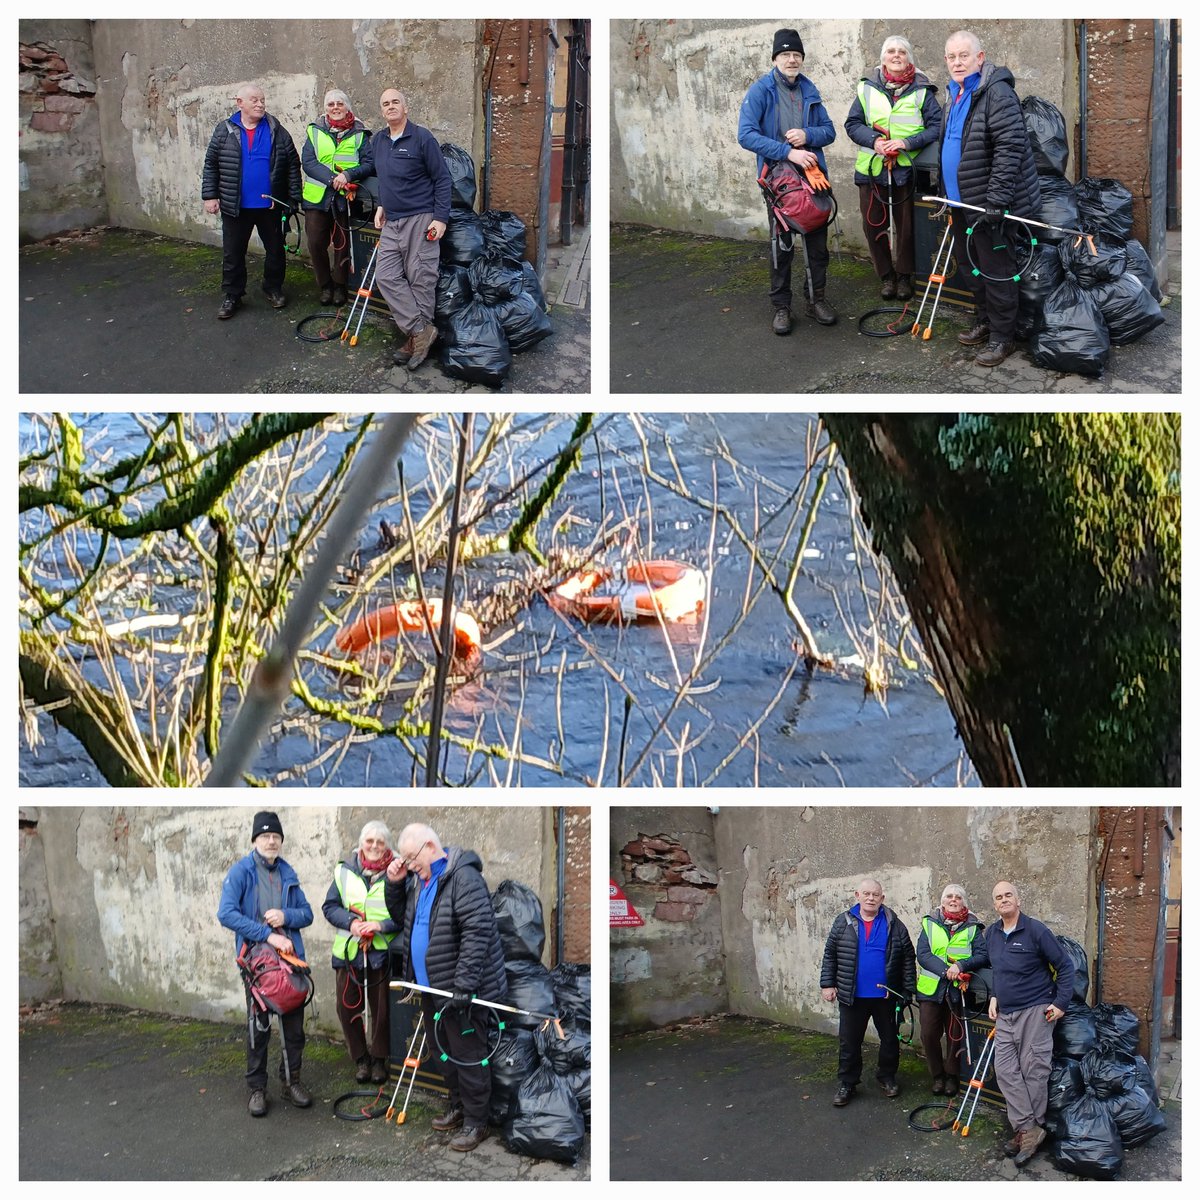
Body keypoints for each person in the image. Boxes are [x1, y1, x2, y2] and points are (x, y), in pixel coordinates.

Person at [384, 823, 507, 1152]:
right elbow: (402, 919)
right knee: (442, 1054)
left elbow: (477, 932)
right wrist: (394, 884)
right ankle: (458, 1106)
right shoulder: (417, 882)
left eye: (411, 858)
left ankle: (476, 1123)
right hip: (433, 989)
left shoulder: (463, 878)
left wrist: (464, 986)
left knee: (469, 1057)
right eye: (406, 861)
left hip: (461, 992)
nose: (409, 865)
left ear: (429, 847)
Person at [938, 30, 1041, 366]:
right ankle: (984, 321)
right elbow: (950, 146)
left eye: (963, 55)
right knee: (972, 269)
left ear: (979, 58)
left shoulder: (996, 94)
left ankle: (1002, 338)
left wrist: (996, 202)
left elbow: (1010, 149)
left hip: (987, 205)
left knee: (997, 272)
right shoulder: (953, 96)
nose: (957, 62)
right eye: (951, 57)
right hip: (961, 205)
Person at [738, 28, 838, 334]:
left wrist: (808, 136)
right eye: (785, 54)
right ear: (775, 58)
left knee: (817, 245)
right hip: (779, 184)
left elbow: (830, 131)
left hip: (813, 178)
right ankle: (781, 307)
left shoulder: (810, 89)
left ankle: (815, 299)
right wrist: (786, 152)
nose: (791, 60)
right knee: (781, 246)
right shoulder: (760, 91)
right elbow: (746, 135)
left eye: (796, 54)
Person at [217, 810, 314, 1118]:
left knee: (294, 1027)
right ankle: (257, 1088)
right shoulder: (241, 871)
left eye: (276, 836)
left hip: (290, 961)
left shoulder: (288, 872)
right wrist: (267, 935)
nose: (271, 841)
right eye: (265, 836)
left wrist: (286, 916)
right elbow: (226, 914)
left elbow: (308, 914)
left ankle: (291, 1081)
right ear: (255, 839)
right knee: (258, 1028)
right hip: (257, 965)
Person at [977, 880, 1073, 1166]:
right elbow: (998, 970)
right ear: (994, 904)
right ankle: (1029, 1129)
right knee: (1005, 1070)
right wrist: (994, 996)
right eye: (998, 897)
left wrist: (1060, 1004)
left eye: (1008, 895)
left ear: (1018, 900)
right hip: (1005, 1013)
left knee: (1034, 1070)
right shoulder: (992, 933)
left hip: (1036, 1009)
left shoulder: (1036, 930)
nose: (1003, 900)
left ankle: (1026, 1132)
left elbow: (1065, 966)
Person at [844, 36, 942, 301]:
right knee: (872, 225)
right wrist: (875, 141)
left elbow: (936, 126)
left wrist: (908, 142)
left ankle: (904, 276)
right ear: (882, 57)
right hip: (873, 169)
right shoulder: (866, 88)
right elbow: (852, 124)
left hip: (906, 170)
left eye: (902, 51)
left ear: (909, 58)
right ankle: (886, 275)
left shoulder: (922, 90)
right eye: (890, 51)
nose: (896, 55)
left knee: (907, 227)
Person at [201, 82, 302, 320]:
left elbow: (293, 165)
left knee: (275, 250)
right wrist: (210, 195)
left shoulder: (277, 129)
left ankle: (273, 288)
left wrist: (292, 199)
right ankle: (232, 295)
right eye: (254, 100)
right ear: (240, 103)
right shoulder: (224, 130)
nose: (260, 104)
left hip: (271, 205)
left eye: (262, 100)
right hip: (235, 206)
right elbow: (211, 164)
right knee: (233, 253)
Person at [370, 89, 451, 371]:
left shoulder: (421, 137)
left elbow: (442, 179)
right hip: (392, 220)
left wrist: (440, 218)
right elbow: (384, 178)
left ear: (406, 107)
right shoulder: (378, 140)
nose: (390, 106)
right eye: (385, 104)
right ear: (382, 111)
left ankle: (415, 339)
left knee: (421, 277)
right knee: (386, 276)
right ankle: (421, 331)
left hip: (421, 217)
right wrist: (381, 204)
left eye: (395, 102)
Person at [820, 878, 916, 1107]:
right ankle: (848, 1083)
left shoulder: (894, 923)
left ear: (882, 898)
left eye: (875, 895)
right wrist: (827, 984)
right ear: (857, 895)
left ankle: (887, 1077)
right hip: (852, 996)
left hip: (886, 997)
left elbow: (908, 958)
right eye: (866, 894)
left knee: (890, 1040)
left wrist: (906, 991)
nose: (871, 898)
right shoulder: (843, 922)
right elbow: (830, 954)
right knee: (849, 1042)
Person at [322, 819, 399, 1085]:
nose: (375, 846)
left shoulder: (398, 872)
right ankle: (360, 1059)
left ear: (388, 845)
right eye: (370, 841)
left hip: (381, 951)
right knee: (346, 1007)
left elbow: (404, 913)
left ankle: (379, 1059)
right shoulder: (344, 871)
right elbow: (330, 907)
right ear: (361, 844)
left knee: (382, 1010)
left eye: (380, 842)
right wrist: (352, 923)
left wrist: (380, 926)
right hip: (349, 950)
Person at [301, 89, 374, 307]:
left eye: (340, 104)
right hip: (317, 197)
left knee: (343, 244)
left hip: (346, 197)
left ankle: (340, 286)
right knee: (315, 243)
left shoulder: (360, 134)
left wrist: (348, 175)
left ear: (347, 107)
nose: (335, 107)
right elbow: (309, 162)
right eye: (331, 104)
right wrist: (333, 178)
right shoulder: (314, 131)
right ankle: (325, 286)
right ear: (325, 109)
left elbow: (369, 163)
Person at [914, 883, 986, 1097]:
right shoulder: (929, 924)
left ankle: (952, 1076)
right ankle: (937, 1076)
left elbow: (982, 955)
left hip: (958, 991)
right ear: (942, 901)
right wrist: (946, 970)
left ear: (964, 902)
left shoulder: (973, 928)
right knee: (929, 1034)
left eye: (958, 897)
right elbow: (923, 954)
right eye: (949, 897)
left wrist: (961, 966)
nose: (953, 900)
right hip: (931, 990)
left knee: (955, 1036)